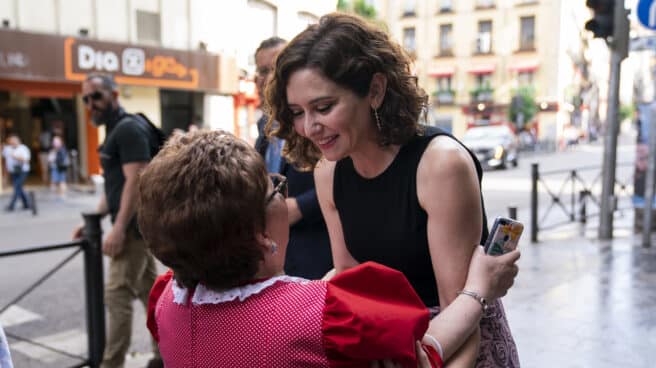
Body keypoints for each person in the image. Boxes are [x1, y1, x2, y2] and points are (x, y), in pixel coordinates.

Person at [140, 130, 519, 367]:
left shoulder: (167, 302)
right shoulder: (327, 315)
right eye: (273, 188)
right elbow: (424, 356)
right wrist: (477, 290)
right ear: (259, 235)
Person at [265, 13, 520, 366]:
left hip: (459, 343)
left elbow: (463, 312)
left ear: (375, 90)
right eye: (297, 112)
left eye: (324, 107)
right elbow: (350, 278)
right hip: (390, 347)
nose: (309, 127)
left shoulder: (441, 165)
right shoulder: (328, 170)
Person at [73, 73, 162, 368]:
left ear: (115, 94)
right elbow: (114, 186)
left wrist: (119, 228)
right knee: (152, 293)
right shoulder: (117, 129)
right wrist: (93, 220)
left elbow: (135, 180)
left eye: (96, 96)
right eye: (86, 98)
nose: (91, 104)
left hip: (135, 231)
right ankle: (164, 353)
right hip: (139, 228)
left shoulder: (126, 129)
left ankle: (111, 364)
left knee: (117, 296)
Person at [254, 36, 333, 279]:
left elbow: (346, 173)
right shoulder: (263, 127)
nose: (266, 78)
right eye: (262, 70)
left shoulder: (319, 120)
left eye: (275, 68)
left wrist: (301, 207)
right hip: (277, 255)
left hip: (318, 252)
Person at [2, 134, 31, 212]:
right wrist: (5, 175)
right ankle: (27, 204)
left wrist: (16, 157)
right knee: (19, 188)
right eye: (11, 141)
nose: (12, 142)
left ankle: (11, 205)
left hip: (23, 171)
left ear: (18, 141)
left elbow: (26, 160)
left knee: (17, 187)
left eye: (14, 141)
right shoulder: (7, 149)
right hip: (13, 172)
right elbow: (5, 161)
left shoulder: (23, 148)